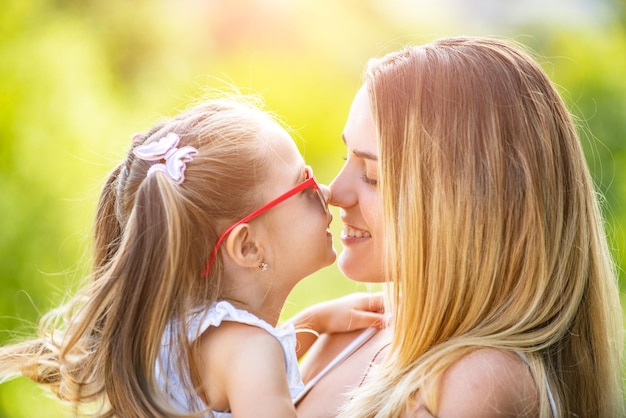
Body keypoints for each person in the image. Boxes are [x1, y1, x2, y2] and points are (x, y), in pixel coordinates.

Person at [295, 36, 624, 417]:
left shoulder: (479, 380)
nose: (334, 192)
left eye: (373, 175)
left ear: (466, 205)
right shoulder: (345, 333)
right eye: (345, 157)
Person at [0, 96, 383, 417]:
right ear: (247, 246)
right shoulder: (249, 352)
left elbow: (241, 369)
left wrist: (311, 322)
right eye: (303, 184)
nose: (328, 191)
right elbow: (250, 366)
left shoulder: (174, 333)